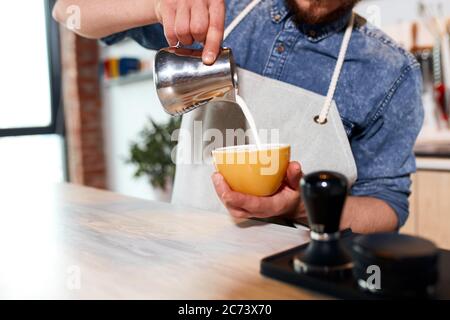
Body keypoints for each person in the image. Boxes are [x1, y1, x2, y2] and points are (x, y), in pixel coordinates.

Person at [53, 0, 424, 233]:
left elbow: (387, 206)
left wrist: (299, 207)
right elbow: (68, 10)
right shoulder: (219, 11)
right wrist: (157, 5)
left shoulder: (390, 71)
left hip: (299, 278)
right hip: (191, 266)